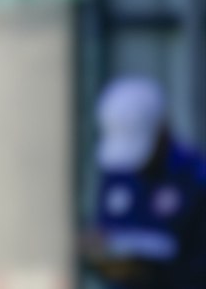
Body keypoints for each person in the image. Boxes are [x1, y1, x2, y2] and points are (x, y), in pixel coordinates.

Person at [81, 75, 206, 288]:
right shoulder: (118, 168)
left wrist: (151, 270)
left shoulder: (195, 177)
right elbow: (109, 228)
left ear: (162, 129)